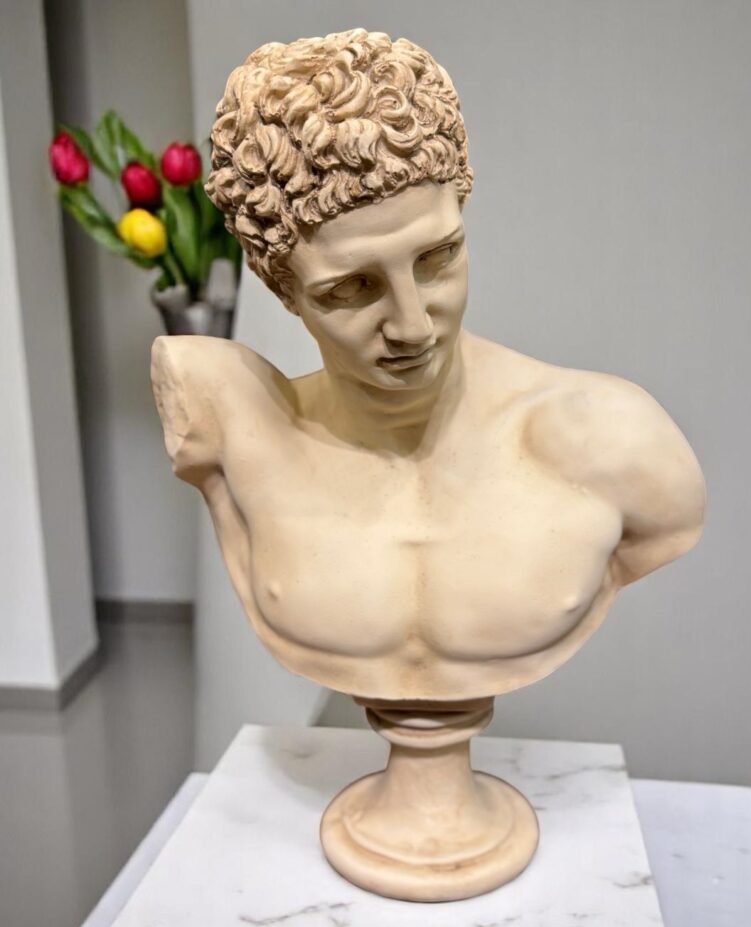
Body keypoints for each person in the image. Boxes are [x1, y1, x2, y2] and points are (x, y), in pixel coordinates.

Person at [151, 28, 705, 703]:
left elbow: (666, 530)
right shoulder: (236, 429)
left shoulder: (616, 438)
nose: (413, 326)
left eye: (437, 259)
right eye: (352, 288)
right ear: (283, 290)